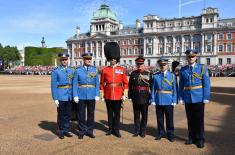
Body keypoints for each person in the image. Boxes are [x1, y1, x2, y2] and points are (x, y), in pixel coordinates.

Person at [179, 49, 210, 148]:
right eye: (189, 56)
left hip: (199, 97)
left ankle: (200, 139)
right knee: (190, 119)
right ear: (186, 58)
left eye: (192, 56)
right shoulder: (183, 70)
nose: (190, 58)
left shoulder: (202, 68)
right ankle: (191, 137)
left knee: (199, 119)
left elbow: (206, 84)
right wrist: (181, 97)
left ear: (196, 57)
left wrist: (206, 97)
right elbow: (181, 85)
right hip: (188, 97)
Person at [100, 42, 128, 138]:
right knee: (109, 113)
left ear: (116, 59)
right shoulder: (105, 70)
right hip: (108, 95)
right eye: (111, 59)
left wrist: (124, 94)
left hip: (118, 94)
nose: (113, 60)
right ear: (109, 59)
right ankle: (110, 129)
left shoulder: (121, 69)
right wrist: (102, 94)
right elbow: (102, 83)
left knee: (117, 113)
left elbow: (125, 83)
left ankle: (116, 130)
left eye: (114, 59)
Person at [73, 52, 100, 139]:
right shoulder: (78, 70)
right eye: (87, 59)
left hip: (92, 94)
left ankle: (89, 131)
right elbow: (75, 84)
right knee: (81, 114)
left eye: (90, 59)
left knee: (91, 114)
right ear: (83, 60)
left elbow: (97, 83)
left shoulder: (94, 69)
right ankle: (81, 131)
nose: (89, 60)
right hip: (81, 94)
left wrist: (97, 94)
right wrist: (75, 95)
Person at [150, 56, 177, 142]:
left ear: (167, 65)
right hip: (158, 100)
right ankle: (160, 132)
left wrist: (174, 100)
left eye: (164, 65)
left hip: (169, 100)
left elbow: (175, 89)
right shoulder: (155, 76)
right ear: (159, 65)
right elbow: (153, 89)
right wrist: (153, 99)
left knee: (169, 119)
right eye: (161, 65)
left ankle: (170, 134)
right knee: (160, 118)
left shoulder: (172, 76)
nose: (163, 66)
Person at [51, 53, 74, 139]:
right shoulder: (56, 71)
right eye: (63, 60)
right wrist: (55, 98)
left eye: (66, 60)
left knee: (68, 114)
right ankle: (60, 131)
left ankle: (66, 129)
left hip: (69, 95)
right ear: (60, 60)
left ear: (68, 60)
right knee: (61, 114)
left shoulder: (71, 70)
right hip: (60, 95)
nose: (64, 61)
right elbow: (53, 85)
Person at [128, 56, 151, 138]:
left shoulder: (148, 73)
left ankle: (143, 131)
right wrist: (130, 96)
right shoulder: (133, 74)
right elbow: (130, 85)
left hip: (145, 97)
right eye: (138, 64)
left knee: (144, 115)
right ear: (136, 64)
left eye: (141, 64)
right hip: (135, 96)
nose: (139, 66)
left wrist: (150, 97)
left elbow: (151, 86)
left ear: (143, 64)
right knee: (136, 115)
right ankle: (137, 131)